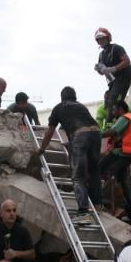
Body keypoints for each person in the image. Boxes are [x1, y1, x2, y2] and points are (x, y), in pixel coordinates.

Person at [37, 86, 102, 223]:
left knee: (78, 175)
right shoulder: (81, 106)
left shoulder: (59, 107)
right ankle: (98, 205)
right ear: (75, 96)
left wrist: (42, 149)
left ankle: (84, 213)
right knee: (94, 170)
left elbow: (50, 132)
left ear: (62, 97)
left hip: (80, 134)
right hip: (96, 133)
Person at [99, 100, 131, 221]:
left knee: (101, 168)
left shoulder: (125, 118)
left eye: (114, 109)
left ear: (121, 109)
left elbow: (113, 132)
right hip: (127, 154)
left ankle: (97, 201)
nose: (112, 111)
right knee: (123, 183)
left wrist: (97, 134)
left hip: (121, 153)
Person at [93, 27, 131, 125]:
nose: (101, 41)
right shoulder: (101, 55)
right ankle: (117, 122)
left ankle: (113, 124)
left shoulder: (116, 48)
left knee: (114, 99)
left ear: (108, 38)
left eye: (103, 38)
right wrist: (99, 70)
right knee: (110, 100)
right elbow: (103, 73)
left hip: (123, 77)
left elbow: (127, 61)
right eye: (99, 39)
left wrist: (113, 68)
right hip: (113, 80)